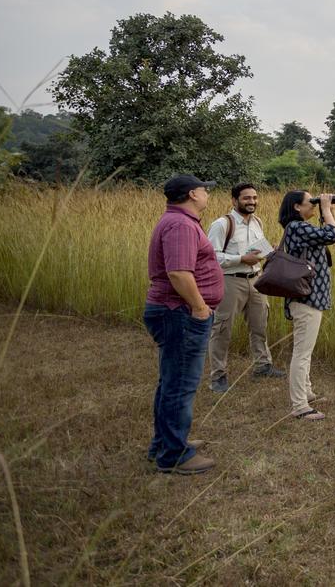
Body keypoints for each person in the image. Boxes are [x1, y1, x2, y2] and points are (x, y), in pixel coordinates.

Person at [144, 174, 224, 474]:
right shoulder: (180, 224)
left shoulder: (181, 222)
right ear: (193, 194)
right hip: (180, 312)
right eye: (205, 190)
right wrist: (200, 307)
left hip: (176, 311)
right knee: (180, 385)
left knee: (171, 381)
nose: (207, 194)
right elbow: (179, 273)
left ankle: (164, 443)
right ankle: (174, 454)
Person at [205, 183, 285, 393]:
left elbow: (259, 249)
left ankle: (262, 367)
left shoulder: (257, 222)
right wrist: (241, 258)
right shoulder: (222, 224)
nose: (252, 201)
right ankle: (218, 377)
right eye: (246, 198)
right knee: (222, 329)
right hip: (230, 281)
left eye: (255, 198)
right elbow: (211, 256)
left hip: (257, 280)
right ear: (234, 200)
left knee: (260, 325)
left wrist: (272, 250)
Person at [277, 190, 335, 421]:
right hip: (306, 300)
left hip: (310, 299)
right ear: (296, 207)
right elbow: (333, 235)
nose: (313, 204)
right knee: (302, 354)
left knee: (306, 350)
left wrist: (329, 211)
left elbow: (329, 233)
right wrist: (325, 209)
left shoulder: (303, 229)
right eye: (310, 201)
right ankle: (300, 406)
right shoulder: (296, 227)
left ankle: (307, 392)